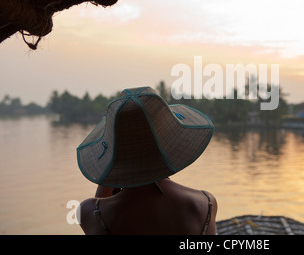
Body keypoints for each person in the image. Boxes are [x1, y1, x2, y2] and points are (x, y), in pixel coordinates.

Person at [76, 86, 217, 235]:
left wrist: (110, 169)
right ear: (171, 144)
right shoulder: (205, 205)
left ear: (115, 153)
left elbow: (99, 205)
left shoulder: (92, 213)